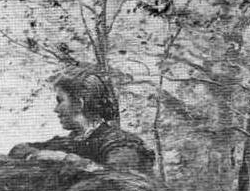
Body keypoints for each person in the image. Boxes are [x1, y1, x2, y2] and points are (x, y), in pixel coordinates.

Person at [9, 66, 155, 173]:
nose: (56, 109)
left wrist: (64, 160)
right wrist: (40, 155)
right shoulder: (68, 142)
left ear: (80, 103)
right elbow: (18, 149)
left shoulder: (121, 142)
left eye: (60, 101)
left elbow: (119, 179)